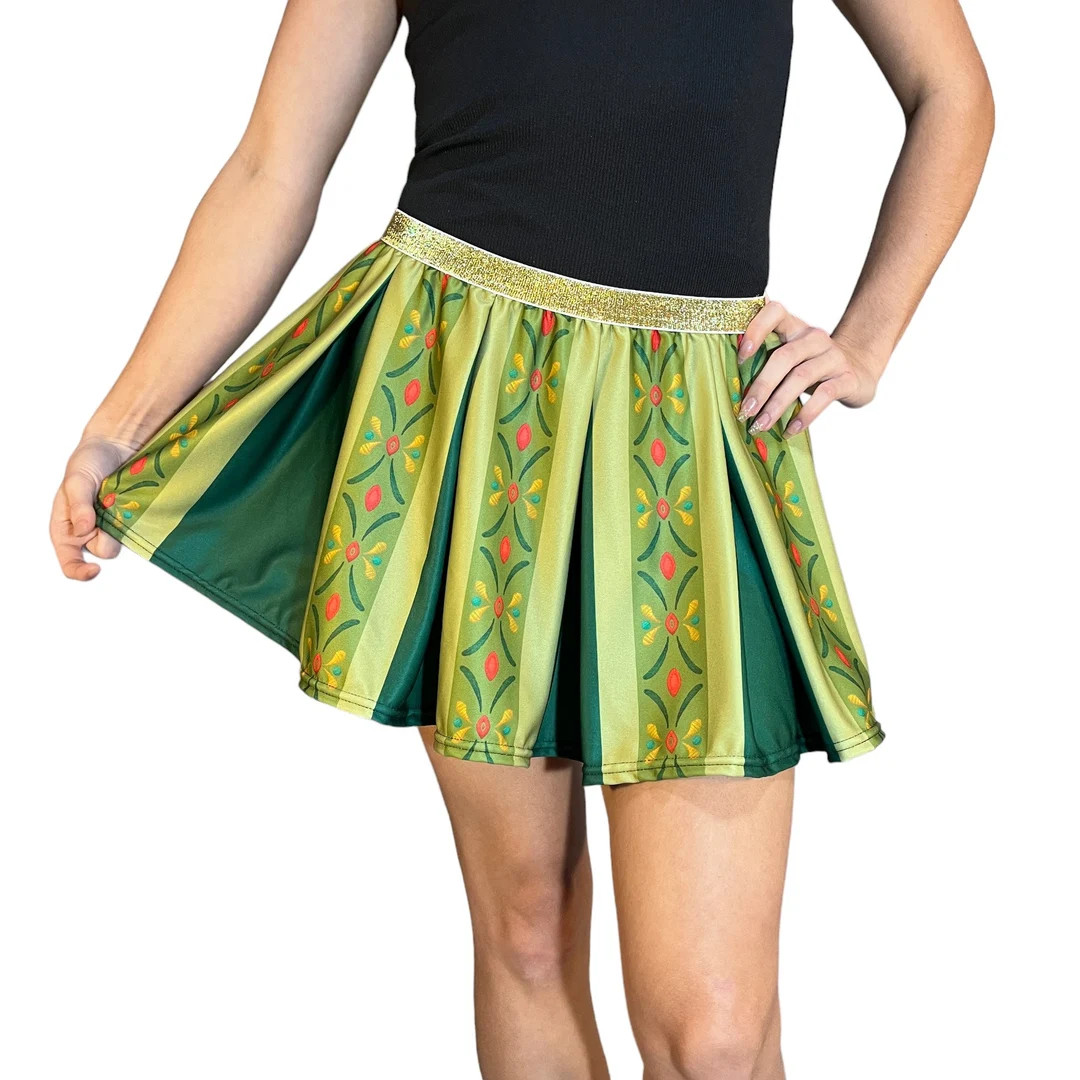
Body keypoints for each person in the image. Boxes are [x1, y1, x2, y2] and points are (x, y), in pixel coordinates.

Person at [49, 1, 993, 1076]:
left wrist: (868, 338)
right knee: (528, 927)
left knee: (716, 1036)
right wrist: (117, 428)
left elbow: (952, 91)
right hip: (470, 394)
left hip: (690, 423)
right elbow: (274, 166)